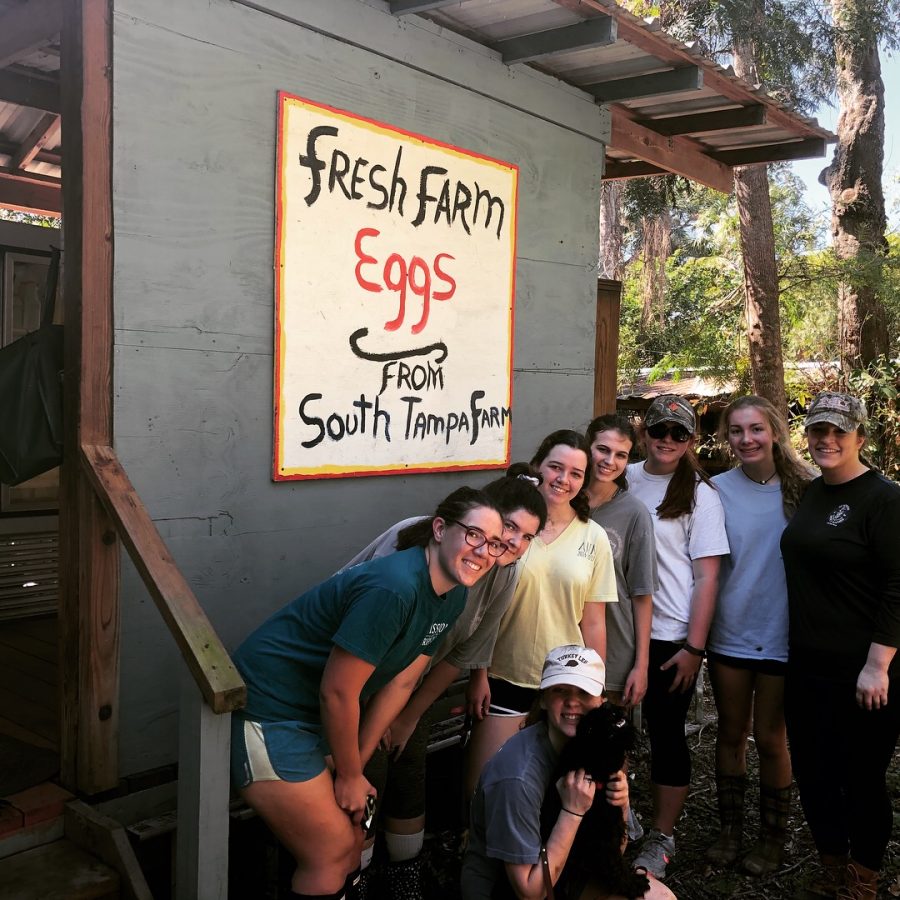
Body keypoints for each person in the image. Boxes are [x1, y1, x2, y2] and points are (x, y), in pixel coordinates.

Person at [230, 487, 505, 900]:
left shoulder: (453, 594)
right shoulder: (394, 587)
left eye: (495, 544)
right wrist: (351, 776)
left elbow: (402, 682)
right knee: (330, 850)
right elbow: (338, 692)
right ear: (439, 529)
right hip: (269, 711)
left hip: (311, 719)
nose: (483, 551)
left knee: (352, 840)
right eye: (473, 535)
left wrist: (353, 767)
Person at [337, 465, 547, 897]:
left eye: (527, 536)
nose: (512, 542)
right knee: (368, 768)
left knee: (410, 760)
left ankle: (403, 874)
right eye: (508, 526)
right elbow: (371, 632)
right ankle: (353, 876)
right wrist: (385, 711)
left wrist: (411, 715)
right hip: (360, 674)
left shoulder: (505, 574)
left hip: (413, 682)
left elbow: (461, 653)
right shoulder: (416, 541)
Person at [781, 391, 900, 900]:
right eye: (817, 431)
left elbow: (899, 584)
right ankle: (831, 864)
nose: (827, 440)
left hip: (863, 668)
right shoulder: (811, 492)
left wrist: (878, 664)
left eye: (839, 432)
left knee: (862, 777)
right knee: (813, 768)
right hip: (807, 662)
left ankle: (863, 876)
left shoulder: (885, 498)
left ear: (860, 437)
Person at [466, 430, 618, 799]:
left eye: (576, 474)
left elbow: (593, 621)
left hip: (564, 682)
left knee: (555, 785)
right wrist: (478, 674)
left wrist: (595, 689)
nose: (564, 480)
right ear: (538, 466)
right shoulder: (508, 525)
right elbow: (480, 609)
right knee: (482, 785)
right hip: (503, 674)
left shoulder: (593, 537)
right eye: (555, 467)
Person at [461, 645, 675, 900]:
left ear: (601, 701)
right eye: (560, 691)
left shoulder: (597, 746)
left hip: (566, 873)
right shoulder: (518, 777)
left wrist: (622, 806)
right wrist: (572, 812)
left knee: (660, 898)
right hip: (505, 890)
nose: (572, 701)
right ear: (542, 698)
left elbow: (614, 851)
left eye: (583, 692)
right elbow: (530, 893)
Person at [705, 396, 814, 875]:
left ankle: (774, 837)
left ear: (774, 431)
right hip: (730, 630)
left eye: (755, 429)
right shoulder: (715, 489)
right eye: (736, 431)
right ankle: (731, 830)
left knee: (772, 738)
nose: (746, 439)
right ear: (727, 438)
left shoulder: (808, 486)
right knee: (731, 732)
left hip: (784, 633)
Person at [627, 395, 729, 880]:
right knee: (605, 727)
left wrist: (695, 647)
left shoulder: (699, 495)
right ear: (644, 431)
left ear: (691, 440)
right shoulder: (620, 477)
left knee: (666, 733)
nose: (667, 440)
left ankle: (662, 834)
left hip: (670, 635)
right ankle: (614, 816)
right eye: (659, 430)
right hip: (614, 628)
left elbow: (707, 577)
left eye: (679, 433)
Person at [584, 414, 658, 710]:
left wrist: (641, 666)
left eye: (621, 455)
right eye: (602, 449)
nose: (609, 461)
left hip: (613, 654)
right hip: (558, 642)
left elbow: (642, 595)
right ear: (587, 446)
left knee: (603, 749)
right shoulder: (562, 501)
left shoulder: (634, 514)